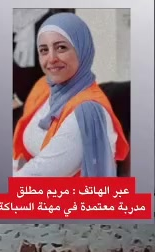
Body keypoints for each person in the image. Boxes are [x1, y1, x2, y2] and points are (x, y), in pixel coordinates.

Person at [12, 12, 129, 177]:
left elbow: (37, 175)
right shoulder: (45, 87)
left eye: (61, 47)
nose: (51, 58)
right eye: (44, 50)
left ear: (82, 50)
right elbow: (21, 158)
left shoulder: (87, 113)